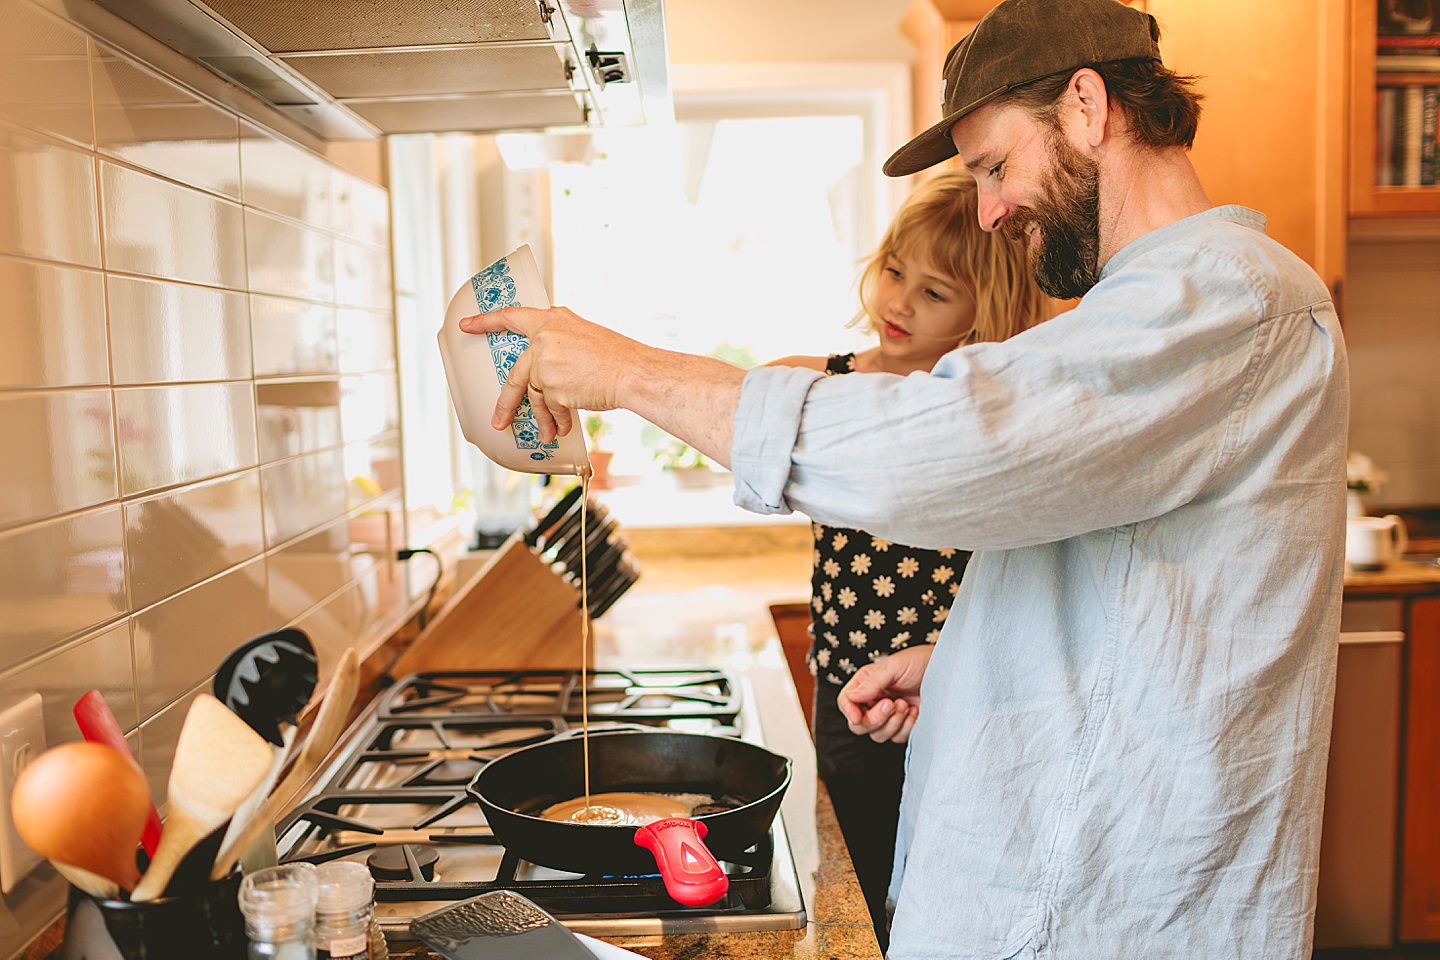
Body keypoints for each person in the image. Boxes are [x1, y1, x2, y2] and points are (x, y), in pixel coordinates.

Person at [459, 0, 1349, 955]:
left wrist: (626, 371)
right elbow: (1132, 583)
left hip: (1110, 918)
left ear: (1088, 107)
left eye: (996, 166)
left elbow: (947, 446)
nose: (991, 210)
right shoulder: (1148, 310)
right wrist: (965, 667)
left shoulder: (1221, 301)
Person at [767, 170, 1048, 949]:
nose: (898, 302)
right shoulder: (822, 385)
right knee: (855, 885)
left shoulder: (987, 408)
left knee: (949, 891)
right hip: (847, 692)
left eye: (934, 293)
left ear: (981, 310)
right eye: (896, 270)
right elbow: (737, 408)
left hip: (965, 696)